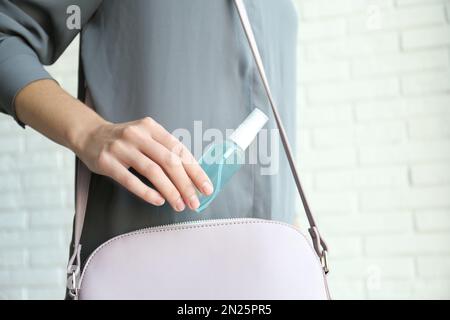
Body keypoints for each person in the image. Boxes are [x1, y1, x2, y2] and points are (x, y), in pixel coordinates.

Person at [0, 0, 299, 297]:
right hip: (144, 272)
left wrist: (295, 238)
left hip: (274, 274)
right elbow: (6, 33)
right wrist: (89, 131)